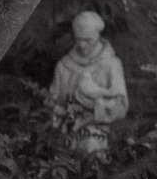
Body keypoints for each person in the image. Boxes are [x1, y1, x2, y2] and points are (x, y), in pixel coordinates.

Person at [50, 11, 129, 151]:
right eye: (78, 39)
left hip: (99, 132)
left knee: (90, 142)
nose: (82, 45)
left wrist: (95, 108)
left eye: (88, 40)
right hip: (67, 129)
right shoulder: (64, 65)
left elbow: (121, 106)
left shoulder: (111, 64)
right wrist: (61, 111)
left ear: (98, 35)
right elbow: (54, 100)